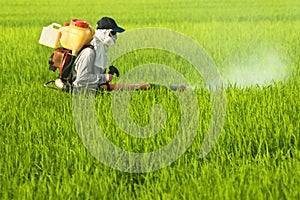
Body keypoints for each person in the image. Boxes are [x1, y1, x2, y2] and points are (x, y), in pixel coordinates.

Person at [65, 16, 125, 95]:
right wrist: (104, 77)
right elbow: (82, 79)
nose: (114, 36)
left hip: (92, 92)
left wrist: (105, 78)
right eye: (112, 33)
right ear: (104, 32)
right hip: (80, 94)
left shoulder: (101, 49)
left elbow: (95, 75)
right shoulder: (89, 52)